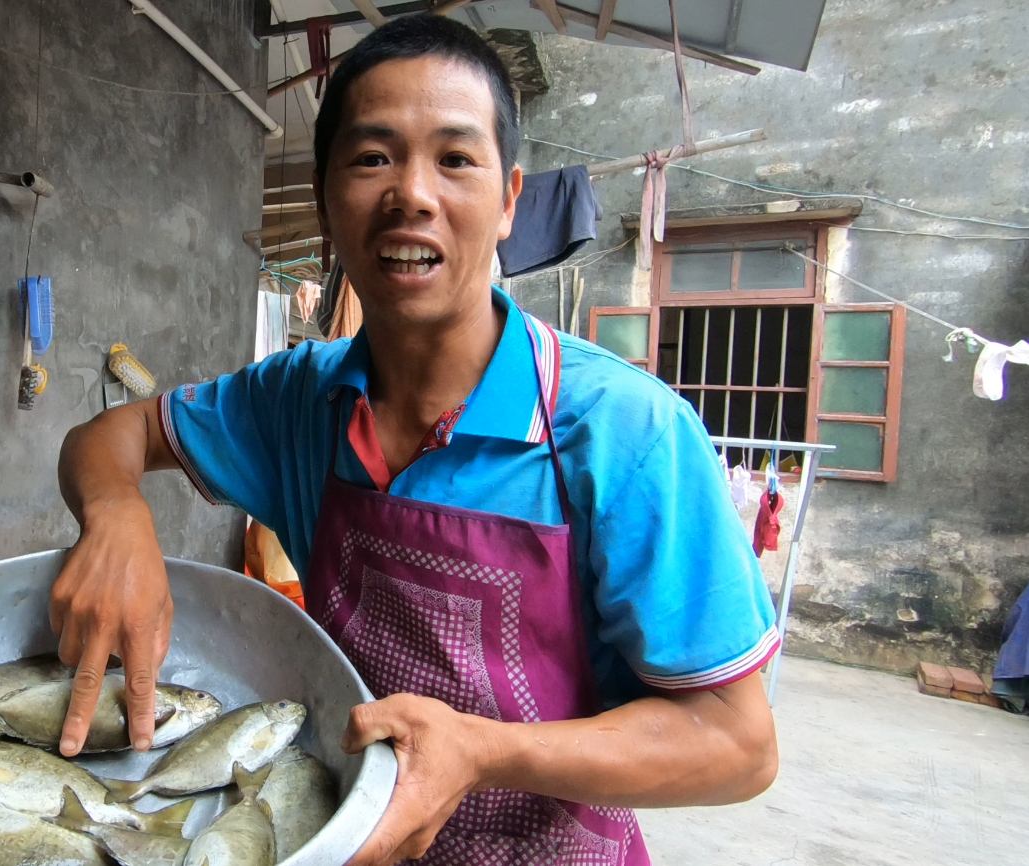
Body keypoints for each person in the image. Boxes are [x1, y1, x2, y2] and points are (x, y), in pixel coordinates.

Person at [52, 14, 778, 865]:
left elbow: (735, 743)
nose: (412, 195)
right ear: (324, 197)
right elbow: (111, 434)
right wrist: (115, 514)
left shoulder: (623, 429)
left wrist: (482, 751)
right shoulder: (297, 398)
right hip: (345, 841)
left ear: (508, 201)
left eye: (455, 159)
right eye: (372, 158)